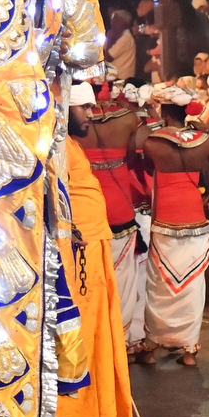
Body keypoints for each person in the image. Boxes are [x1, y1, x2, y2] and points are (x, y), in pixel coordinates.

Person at [55, 85, 138, 417]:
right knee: (74, 325)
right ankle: (62, 415)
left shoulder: (69, 143)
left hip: (93, 241)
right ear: (65, 107)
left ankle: (97, 410)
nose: (90, 114)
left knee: (99, 324)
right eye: (84, 107)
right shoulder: (55, 143)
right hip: (73, 246)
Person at [130, 87, 209, 366]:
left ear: (164, 110)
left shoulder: (153, 141)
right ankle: (189, 350)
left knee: (159, 285)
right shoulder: (203, 140)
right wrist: (205, 133)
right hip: (196, 219)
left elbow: (140, 163)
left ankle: (151, 345)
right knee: (193, 286)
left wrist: (148, 117)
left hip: (164, 219)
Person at [76, 84, 148, 354]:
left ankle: (96, 341)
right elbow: (131, 159)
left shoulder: (64, 128)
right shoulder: (128, 120)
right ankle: (121, 342)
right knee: (124, 282)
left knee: (90, 280)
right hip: (120, 208)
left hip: (85, 213)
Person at [105, 9, 136, 82]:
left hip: (122, 79)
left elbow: (108, 57)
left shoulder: (126, 37)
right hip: (115, 79)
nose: (112, 23)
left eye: (115, 20)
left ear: (123, 22)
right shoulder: (118, 36)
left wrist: (109, 38)